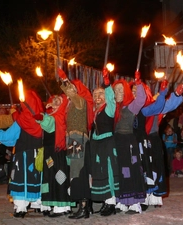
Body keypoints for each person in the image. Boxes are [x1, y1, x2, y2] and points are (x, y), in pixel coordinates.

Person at [0, 90, 44, 218]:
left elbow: (9, 137)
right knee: (36, 178)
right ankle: (39, 204)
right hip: (37, 155)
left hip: (23, 155)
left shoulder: (22, 120)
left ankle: (20, 208)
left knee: (21, 179)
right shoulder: (42, 117)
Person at [138, 81, 183, 208]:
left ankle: (155, 197)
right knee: (144, 169)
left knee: (156, 168)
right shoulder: (135, 106)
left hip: (154, 140)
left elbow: (169, 104)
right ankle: (144, 198)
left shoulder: (156, 104)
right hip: (140, 141)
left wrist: (176, 94)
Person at [58, 69, 94, 219]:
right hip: (72, 140)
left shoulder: (80, 101)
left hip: (77, 140)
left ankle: (84, 208)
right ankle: (84, 206)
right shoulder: (71, 104)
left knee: (78, 172)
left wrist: (65, 79)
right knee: (75, 171)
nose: (69, 91)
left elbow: (72, 93)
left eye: (73, 88)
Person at [112, 72, 147, 214]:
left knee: (130, 170)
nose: (118, 92)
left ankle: (134, 203)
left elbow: (142, 99)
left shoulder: (131, 105)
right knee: (120, 171)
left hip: (129, 142)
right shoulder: (114, 107)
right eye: (116, 90)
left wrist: (138, 83)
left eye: (121, 89)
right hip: (118, 141)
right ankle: (122, 200)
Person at [35, 94, 73, 217]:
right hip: (53, 151)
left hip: (55, 151)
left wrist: (41, 118)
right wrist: (41, 116)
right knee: (56, 176)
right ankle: (64, 205)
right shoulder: (56, 115)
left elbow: (48, 124)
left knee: (57, 176)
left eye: (58, 102)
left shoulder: (59, 116)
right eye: (54, 101)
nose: (55, 104)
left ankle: (60, 207)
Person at [88, 68, 120, 217]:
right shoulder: (96, 111)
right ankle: (107, 201)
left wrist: (107, 84)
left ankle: (112, 203)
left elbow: (111, 98)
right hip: (98, 144)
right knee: (101, 172)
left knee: (109, 172)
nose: (97, 96)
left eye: (100, 94)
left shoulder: (109, 108)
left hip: (108, 143)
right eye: (95, 94)